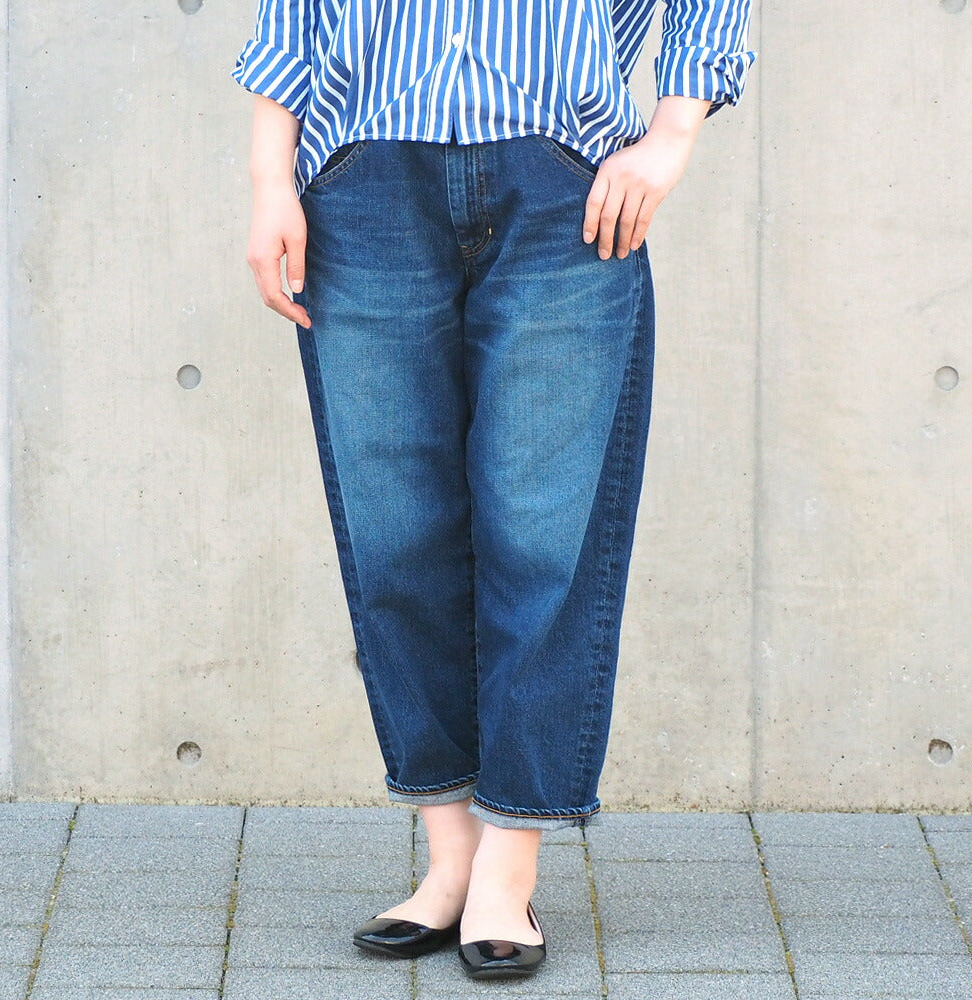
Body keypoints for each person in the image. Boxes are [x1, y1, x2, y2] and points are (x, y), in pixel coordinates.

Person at [232, 0, 755, 980]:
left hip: (563, 186)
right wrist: (270, 180)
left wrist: (672, 134)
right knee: (395, 535)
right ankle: (451, 861)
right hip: (364, 181)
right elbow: (294, 18)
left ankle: (507, 866)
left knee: (542, 535)